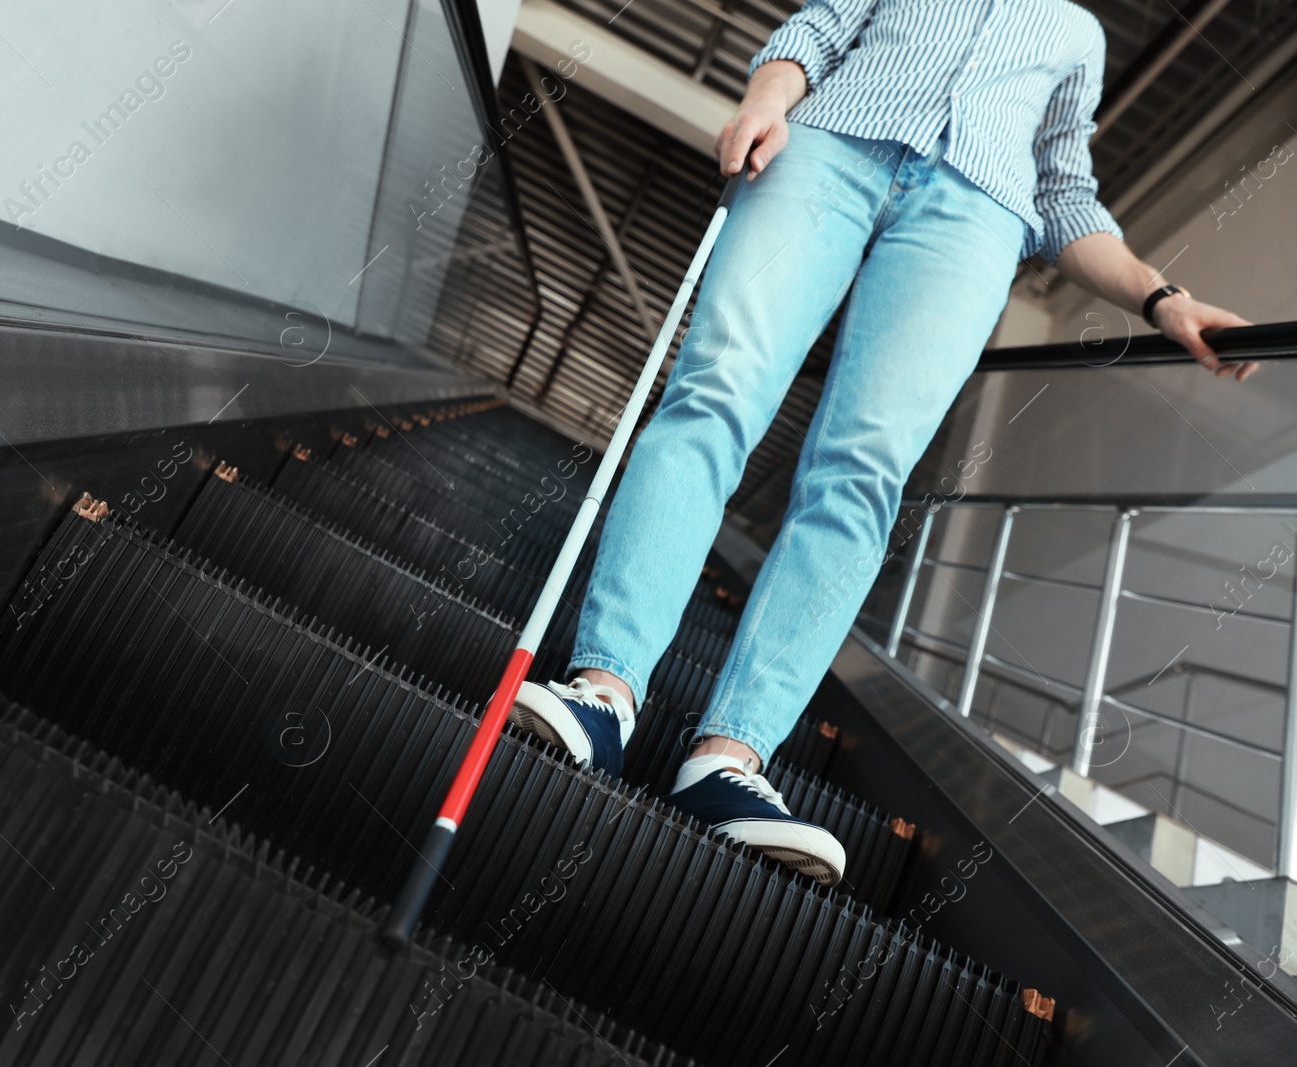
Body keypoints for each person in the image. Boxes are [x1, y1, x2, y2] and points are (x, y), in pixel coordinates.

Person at [507, 0, 1255, 886]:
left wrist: (1164, 299)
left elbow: (1062, 196)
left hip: (975, 221)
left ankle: (729, 759)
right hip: (827, 147)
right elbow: (818, 32)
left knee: (863, 475)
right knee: (715, 391)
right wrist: (767, 99)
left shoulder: (1076, 34)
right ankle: (604, 694)